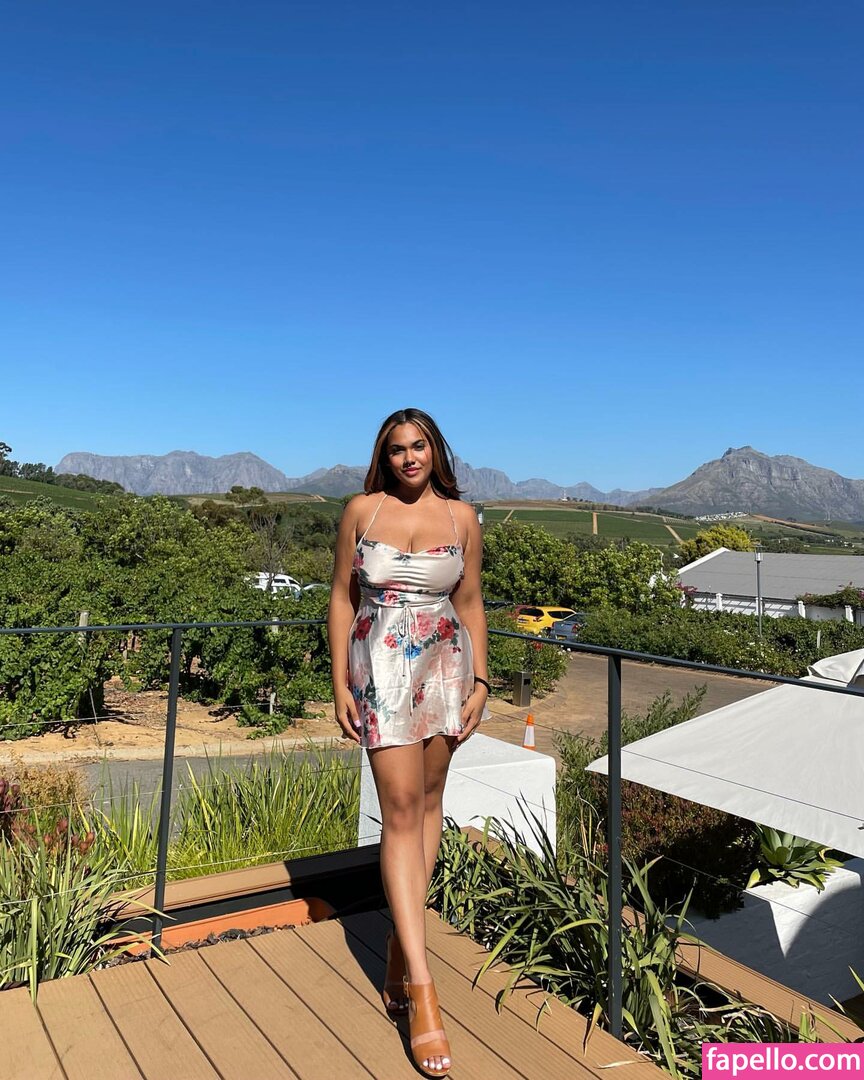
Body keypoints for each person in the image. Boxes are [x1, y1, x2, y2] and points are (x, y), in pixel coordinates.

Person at [328, 407, 489, 1078]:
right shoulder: (361, 511)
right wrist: (340, 680)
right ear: (384, 457)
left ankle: (400, 946)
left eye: (419, 445)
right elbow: (342, 597)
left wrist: (482, 679)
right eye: (397, 449)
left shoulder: (462, 518)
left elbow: (471, 602)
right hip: (381, 669)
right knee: (398, 810)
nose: (409, 457)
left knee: (427, 805)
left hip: (447, 668)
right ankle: (422, 991)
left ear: (435, 452)